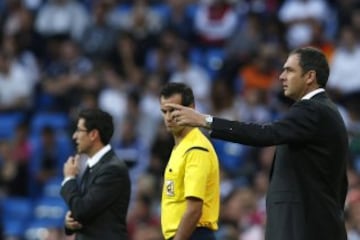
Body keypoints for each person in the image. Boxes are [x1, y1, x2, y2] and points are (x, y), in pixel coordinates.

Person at [167, 47, 349, 240]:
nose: (281, 76)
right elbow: (339, 183)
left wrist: (204, 120)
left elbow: (265, 134)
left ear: (310, 76)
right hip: (317, 223)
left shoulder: (312, 109)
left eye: (289, 70)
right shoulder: (325, 111)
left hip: (303, 227)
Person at [159, 82, 220, 240]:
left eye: (173, 110)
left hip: (194, 234)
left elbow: (194, 209)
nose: (168, 117)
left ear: (191, 108)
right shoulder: (181, 147)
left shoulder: (196, 149)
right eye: (164, 111)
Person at [60, 109, 131, 240]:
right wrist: (70, 222)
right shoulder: (93, 165)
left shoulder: (113, 170)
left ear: (93, 134)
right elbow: (84, 209)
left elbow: (81, 210)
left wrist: (69, 178)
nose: (74, 136)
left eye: (79, 130)